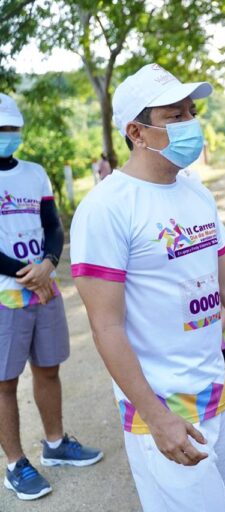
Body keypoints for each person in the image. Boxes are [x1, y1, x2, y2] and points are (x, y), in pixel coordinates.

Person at [70, 64, 225, 511]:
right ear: (137, 131)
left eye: (191, 111)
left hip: (216, 390)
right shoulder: (106, 208)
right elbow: (106, 328)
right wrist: (156, 417)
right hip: (162, 408)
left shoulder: (197, 193)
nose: (191, 123)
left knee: (223, 497)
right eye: (175, 115)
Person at [0, 93, 102, 501]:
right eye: (0, 129)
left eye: (12, 128)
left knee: (48, 370)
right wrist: (26, 273)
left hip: (44, 289)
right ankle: (14, 464)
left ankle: (56, 445)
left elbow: (53, 226)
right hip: (7, 295)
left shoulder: (35, 173)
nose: (7, 135)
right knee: (4, 384)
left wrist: (49, 262)